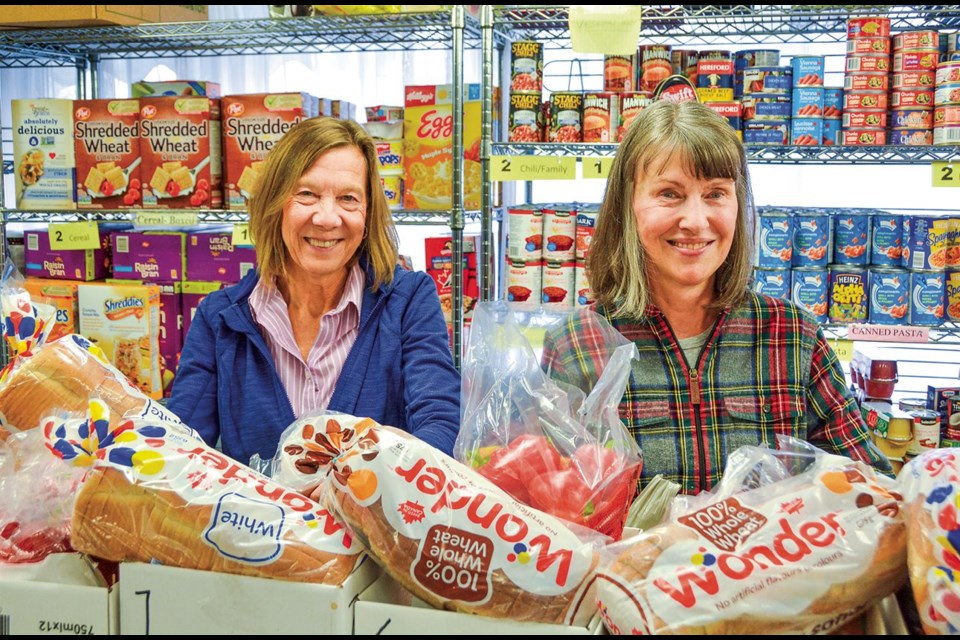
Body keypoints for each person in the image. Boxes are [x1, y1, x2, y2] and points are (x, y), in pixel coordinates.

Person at [541, 100, 892, 495]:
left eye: (715, 194)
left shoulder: (793, 336)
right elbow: (555, 507)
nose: (695, 220)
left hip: (774, 558)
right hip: (633, 560)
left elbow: (871, 491)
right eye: (669, 194)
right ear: (628, 207)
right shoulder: (577, 345)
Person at [168, 117, 460, 465]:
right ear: (276, 204)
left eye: (348, 198)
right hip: (256, 522)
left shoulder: (409, 302)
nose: (327, 218)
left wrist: (349, 487)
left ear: (368, 213)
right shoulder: (220, 320)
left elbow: (440, 429)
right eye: (307, 194)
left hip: (369, 519)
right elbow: (179, 448)